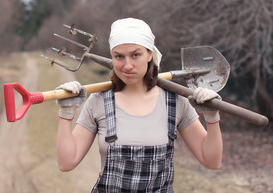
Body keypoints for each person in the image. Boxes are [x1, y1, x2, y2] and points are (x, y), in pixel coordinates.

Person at [56, 18, 223, 192]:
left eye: (135, 55)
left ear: (150, 54)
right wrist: (66, 112)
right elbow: (66, 163)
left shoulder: (176, 101)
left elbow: (211, 161)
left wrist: (211, 117)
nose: (127, 65)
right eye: (119, 56)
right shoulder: (98, 101)